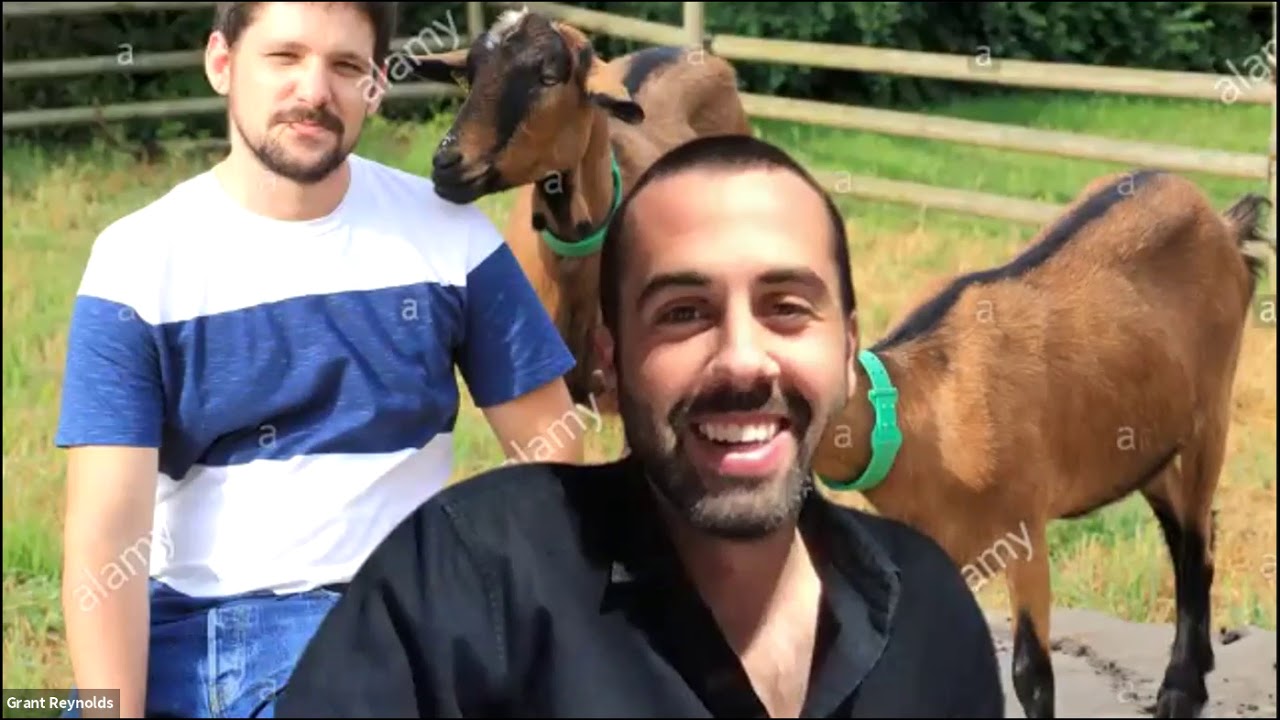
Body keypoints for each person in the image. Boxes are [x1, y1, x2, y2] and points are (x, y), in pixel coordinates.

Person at [273, 134, 1007, 718]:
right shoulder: (466, 591)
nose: (743, 360)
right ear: (610, 364)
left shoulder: (928, 612)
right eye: (684, 313)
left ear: (847, 352)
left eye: (786, 307)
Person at [53, 2, 582, 717]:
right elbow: (107, 534)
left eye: (346, 66)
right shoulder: (139, 261)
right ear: (221, 63)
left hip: (404, 621)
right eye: (285, 57)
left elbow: (552, 455)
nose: (314, 91)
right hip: (204, 633)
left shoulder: (450, 237)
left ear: (377, 85)